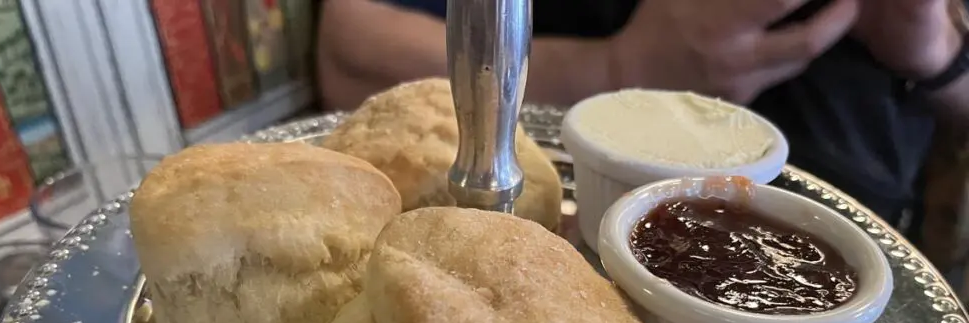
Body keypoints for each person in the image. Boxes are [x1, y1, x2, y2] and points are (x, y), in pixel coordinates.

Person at [316, 0, 969, 241]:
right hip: (584, 224)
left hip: (869, 248)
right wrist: (620, 65)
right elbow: (352, 41)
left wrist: (938, 56)